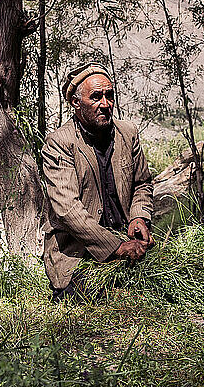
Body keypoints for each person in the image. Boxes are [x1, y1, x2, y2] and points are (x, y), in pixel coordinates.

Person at [42, 62, 155, 302]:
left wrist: (138, 217)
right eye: (96, 97)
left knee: (159, 287)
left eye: (109, 96)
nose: (105, 104)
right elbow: (68, 210)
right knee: (102, 299)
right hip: (78, 254)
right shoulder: (59, 143)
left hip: (126, 242)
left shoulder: (128, 133)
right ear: (76, 103)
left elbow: (142, 183)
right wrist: (115, 248)